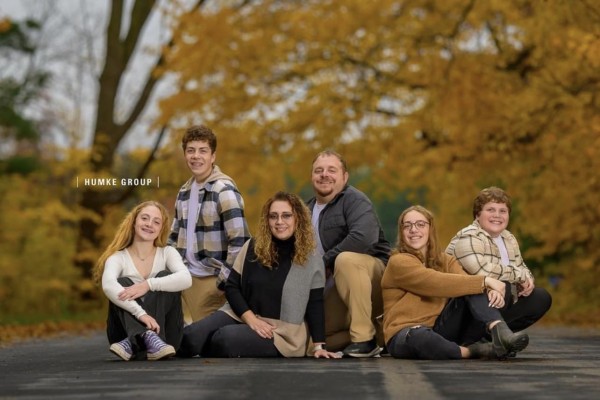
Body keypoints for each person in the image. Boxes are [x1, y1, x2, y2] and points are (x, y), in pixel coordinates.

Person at [179, 192, 341, 359]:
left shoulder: (311, 259)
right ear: (267, 220)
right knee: (191, 336)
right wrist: (251, 319)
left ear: (298, 218)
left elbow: (315, 304)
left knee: (224, 338)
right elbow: (232, 286)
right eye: (273, 216)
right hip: (240, 315)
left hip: (279, 332)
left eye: (286, 216)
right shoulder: (253, 246)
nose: (279, 222)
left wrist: (319, 346)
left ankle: (207, 345)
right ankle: (165, 347)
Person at [382, 205, 530, 360]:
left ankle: (500, 330)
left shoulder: (446, 260)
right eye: (407, 226)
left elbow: (466, 282)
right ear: (402, 232)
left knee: (472, 287)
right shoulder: (398, 261)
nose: (413, 230)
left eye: (420, 224)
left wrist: (489, 289)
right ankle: (476, 351)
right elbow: (433, 282)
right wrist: (486, 280)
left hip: (441, 328)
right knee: (421, 337)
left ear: (430, 229)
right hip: (404, 332)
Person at [307, 150, 391, 357]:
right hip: (334, 285)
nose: (324, 174)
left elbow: (364, 238)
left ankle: (364, 339)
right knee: (314, 341)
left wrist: (324, 262)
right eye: (319, 170)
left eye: (332, 170)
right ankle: (380, 335)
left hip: (375, 278)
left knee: (345, 259)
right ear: (312, 176)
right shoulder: (305, 210)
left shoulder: (354, 200)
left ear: (345, 177)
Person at [169, 125, 250, 323]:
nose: (196, 156)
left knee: (206, 338)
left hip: (211, 281)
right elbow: (174, 236)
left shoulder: (224, 190)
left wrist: (222, 283)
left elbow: (240, 242)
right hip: (185, 277)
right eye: (191, 150)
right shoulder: (184, 191)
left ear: (213, 156)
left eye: (202, 151)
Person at [446, 187, 552, 335]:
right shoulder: (468, 236)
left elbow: (521, 266)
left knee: (540, 297)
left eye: (503, 211)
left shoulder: (508, 238)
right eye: (490, 210)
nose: (497, 215)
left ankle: (492, 337)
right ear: (477, 214)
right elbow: (481, 271)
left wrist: (528, 281)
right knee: (504, 285)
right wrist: (519, 276)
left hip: (494, 303)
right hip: (458, 310)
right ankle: (470, 338)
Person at [94, 201, 192, 361]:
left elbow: (186, 279)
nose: (149, 224)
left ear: (161, 229)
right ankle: (143, 337)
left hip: (166, 338)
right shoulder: (118, 258)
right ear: (134, 222)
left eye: (156, 222)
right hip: (121, 335)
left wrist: (148, 285)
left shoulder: (168, 253)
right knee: (122, 282)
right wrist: (141, 314)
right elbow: (108, 285)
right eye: (145, 218)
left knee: (164, 276)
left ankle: (139, 340)